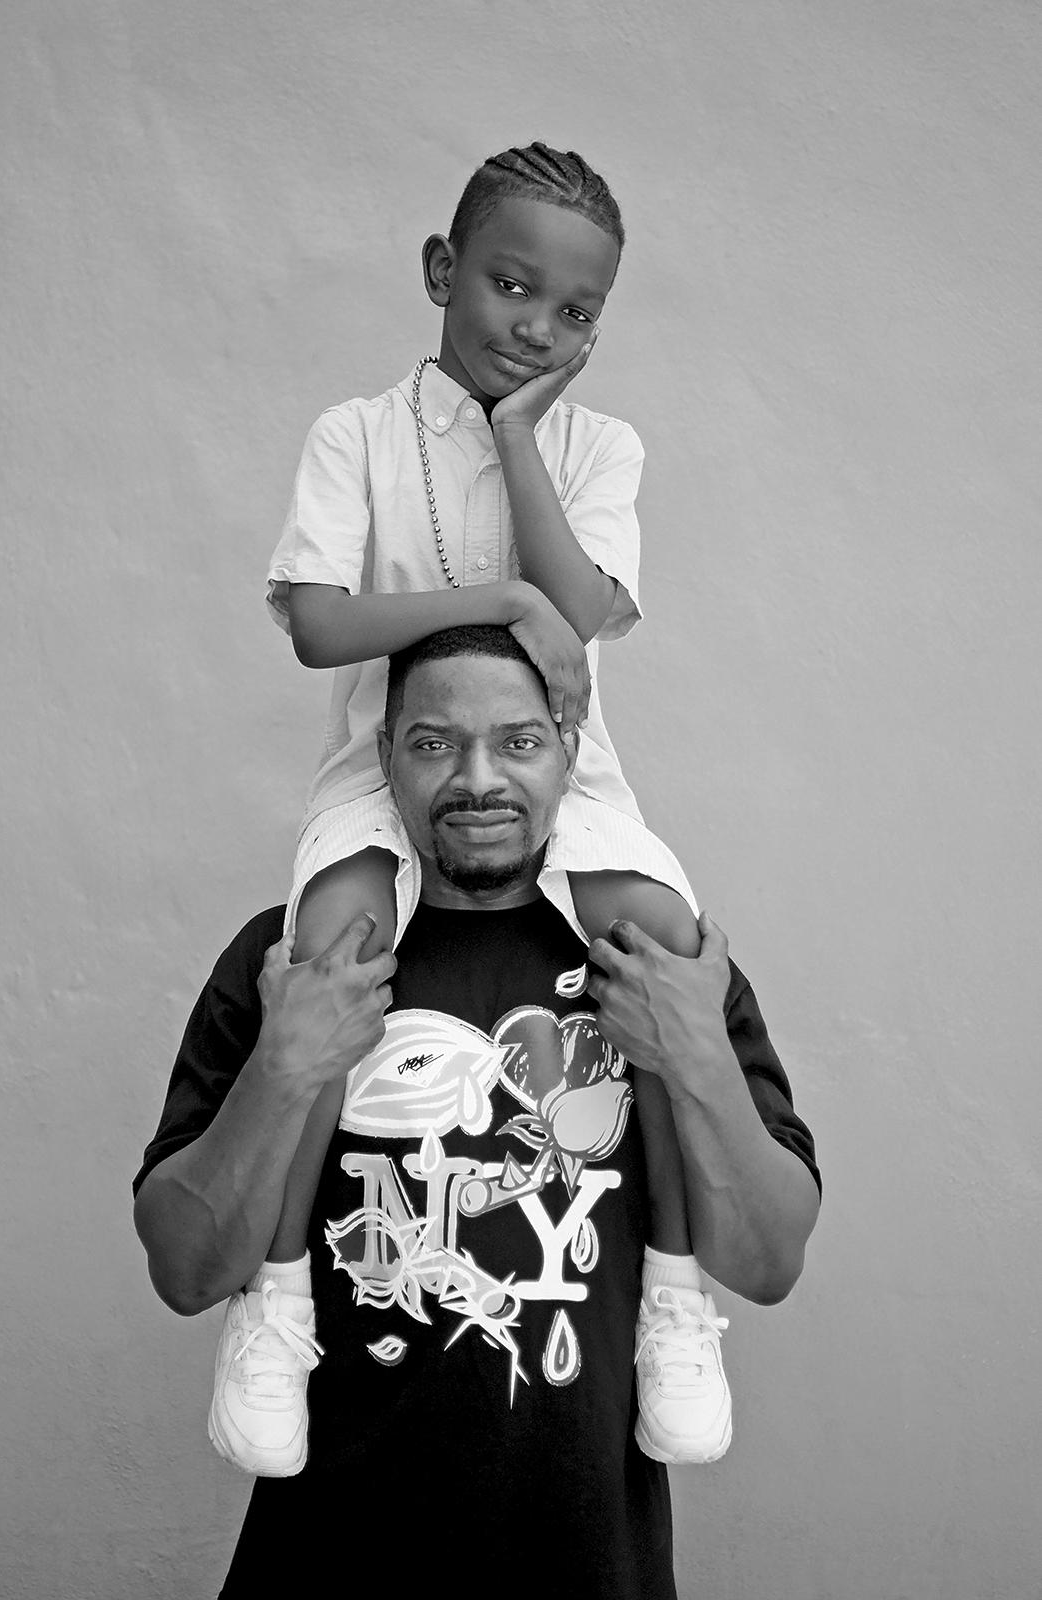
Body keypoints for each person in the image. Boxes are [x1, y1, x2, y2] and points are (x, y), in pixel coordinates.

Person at [217, 139, 729, 1478]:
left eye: (573, 312)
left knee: (661, 941)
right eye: (510, 287)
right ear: (443, 271)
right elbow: (320, 627)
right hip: (389, 765)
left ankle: (674, 1296)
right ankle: (274, 1309)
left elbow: (582, 610)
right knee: (328, 950)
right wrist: (493, 603)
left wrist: (515, 439)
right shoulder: (358, 435)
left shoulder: (598, 444)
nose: (537, 327)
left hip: (570, 767)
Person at [133, 626, 821, 1599]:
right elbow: (186, 1268)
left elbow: (766, 1261)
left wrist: (695, 1058)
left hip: (590, 1567)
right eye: (432, 742)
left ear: (569, 750)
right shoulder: (297, 957)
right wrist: (283, 1067)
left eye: (517, 740)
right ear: (383, 758)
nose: (476, 778)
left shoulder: (652, 960)